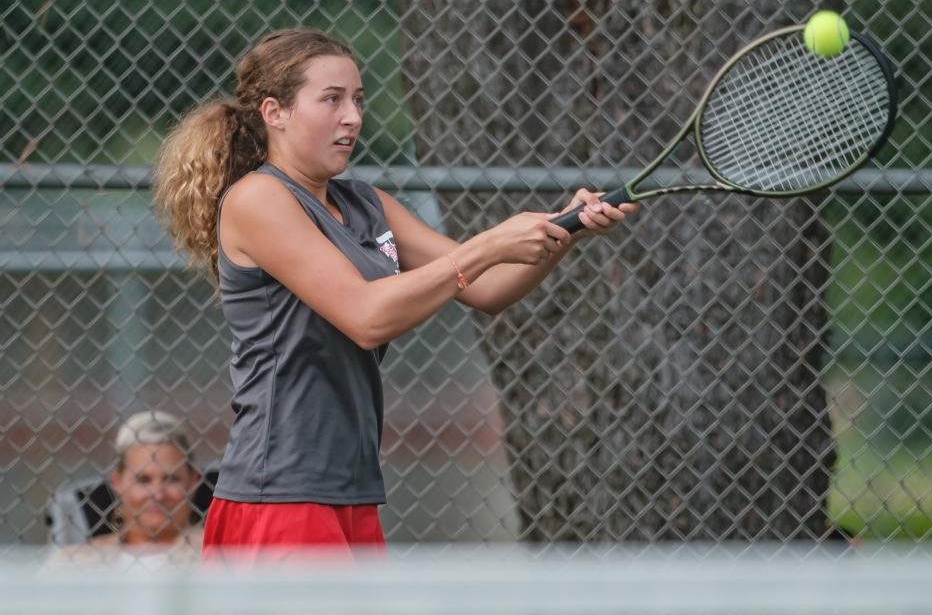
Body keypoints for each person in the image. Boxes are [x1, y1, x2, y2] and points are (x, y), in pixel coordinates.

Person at [152, 27, 637, 560]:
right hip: (281, 492)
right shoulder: (258, 199)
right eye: (331, 100)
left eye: (358, 100)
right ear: (275, 112)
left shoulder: (365, 202)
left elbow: (490, 289)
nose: (352, 118)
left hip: (352, 487)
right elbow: (366, 316)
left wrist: (568, 229)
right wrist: (489, 243)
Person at [49, 411, 203, 568]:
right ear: (117, 482)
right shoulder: (75, 562)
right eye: (143, 480)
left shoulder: (216, 556)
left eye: (171, 479)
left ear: (193, 481)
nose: (158, 494)